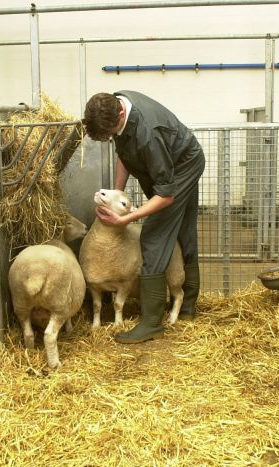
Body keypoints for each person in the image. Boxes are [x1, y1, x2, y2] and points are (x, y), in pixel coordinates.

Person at [83, 91, 206, 343]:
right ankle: (188, 307)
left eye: (110, 133)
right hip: (166, 164)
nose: (109, 138)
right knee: (182, 229)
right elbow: (124, 154)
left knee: (153, 235)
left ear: (120, 113)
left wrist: (128, 217)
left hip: (183, 166)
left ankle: (151, 323)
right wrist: (118, 194)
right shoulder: (117, 108)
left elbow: (166, 194)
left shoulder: (148, 134)